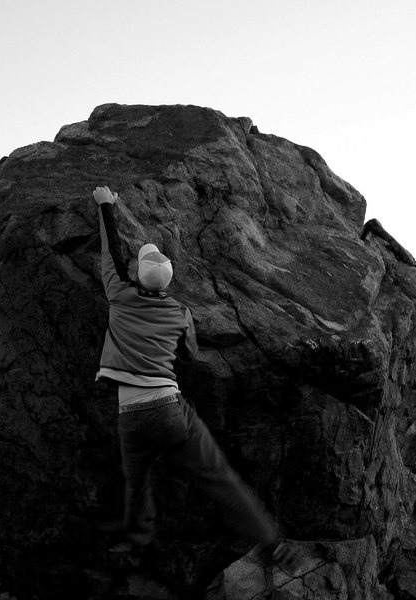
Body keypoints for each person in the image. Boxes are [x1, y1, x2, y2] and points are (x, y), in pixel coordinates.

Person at [92, 185, 298, 571]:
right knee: (217, 476)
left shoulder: (118, 295)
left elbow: (110, 256)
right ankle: (270, 542)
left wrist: (106, 206)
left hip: (130, 415)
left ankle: (137, 545)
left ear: (136, 274)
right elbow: (190, 353)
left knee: (137, 485)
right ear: (167, 282)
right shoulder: (180, 311)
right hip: (170, 411)